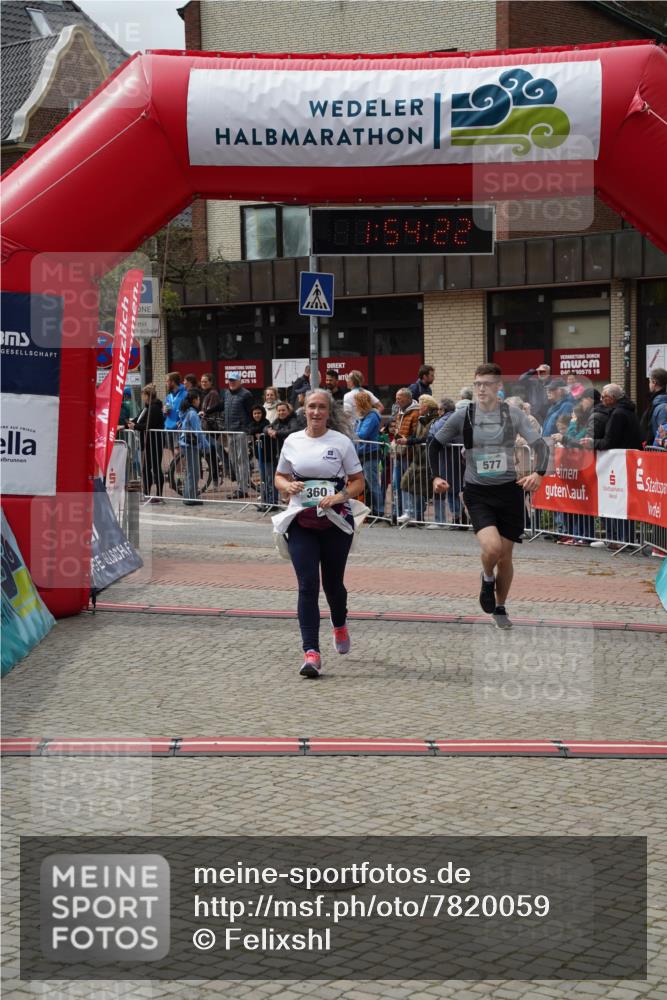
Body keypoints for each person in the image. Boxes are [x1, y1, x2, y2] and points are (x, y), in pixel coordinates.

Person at [429, 363, 549, 629]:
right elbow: (434, 444)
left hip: (509, 491)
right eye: (477, 384)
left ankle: (500, 607)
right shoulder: (464, 416)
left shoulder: (513, 414)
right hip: (478, 492)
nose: (481, 389)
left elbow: (540, 445)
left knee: (506, 557)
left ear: (498, 387)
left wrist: (539, 474)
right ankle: (486, 577)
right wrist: (436, 476)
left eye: (487, 384)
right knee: (492, 548)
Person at [273, 390, 365, 678]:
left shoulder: (341, 443)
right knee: (307, 584)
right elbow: (279, 476)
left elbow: (358, 481)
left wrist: (339, 497)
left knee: (333, 585)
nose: (316, 412)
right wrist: (287, 487)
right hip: (302, 521)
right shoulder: (292, 441)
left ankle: (339, 624)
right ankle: (311, 652)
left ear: (329, 412)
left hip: (335, 522)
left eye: (321, 407)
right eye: (311, 406)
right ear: (304, 409)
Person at [582, 384, 642, 548]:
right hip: (624, 462)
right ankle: (621, 538)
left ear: (613, 398)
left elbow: (610, 441)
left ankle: (622, 539)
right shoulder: (626, 410)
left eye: (604, 397)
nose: (601, 400)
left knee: (618, 501)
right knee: (620, 501)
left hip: (619, 463)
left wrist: (592, 442)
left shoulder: (618, 414)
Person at [208, 372, 255, 498]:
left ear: (240, 381)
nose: (231, 383)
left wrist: (249, 429)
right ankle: (241, 485)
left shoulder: (246, 395)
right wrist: (207, 412)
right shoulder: (227, 393)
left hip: (240, 432)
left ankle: (243, 488)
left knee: (241, 461)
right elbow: (222, 405)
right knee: (234, 460)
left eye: (234, 380)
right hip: (230, 432)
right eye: (230, 380)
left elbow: (251, 413)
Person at [398, 394, 439, 524]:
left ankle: (418, 516)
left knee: (420, 488)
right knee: (405, 483)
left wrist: (408, 442)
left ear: (426, 406)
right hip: (417, 458)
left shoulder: (434, 420)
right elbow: (416, 436)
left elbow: (426, 438)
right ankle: (409, 513)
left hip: (427, 458)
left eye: (420, 404)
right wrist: (406, 440)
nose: (418, 407)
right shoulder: (421, 419)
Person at [427, 398, 464, 528]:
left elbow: (432, 434)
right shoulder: (460, 417)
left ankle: (456, 517)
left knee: (450, 488)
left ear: (443, 410)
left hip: (448, 459)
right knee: (463, 488)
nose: (438, 412)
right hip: (462, 458)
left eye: (439, 409)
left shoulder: (442, 421)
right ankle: (462, 516)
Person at [131, 383, 164, 503]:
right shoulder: (146, 408)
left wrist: (135, 426)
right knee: (145, 469)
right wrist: (127, 425)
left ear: (148, 395)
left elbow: (148, 425)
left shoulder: (154, 408)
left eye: (143, 395)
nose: (142, 397)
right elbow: (137, 420)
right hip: (147, 442)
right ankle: (146, 492)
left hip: (155, 442)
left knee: (155, 468)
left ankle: (159, 494)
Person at [262, 401, 300, 506]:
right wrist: (269, 431)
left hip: (293, 453)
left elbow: (293, 430)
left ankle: (291, 501)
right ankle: (285, 500)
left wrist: (277, 433)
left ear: (288, 411)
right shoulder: (277, 421)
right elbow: (265, 427)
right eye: (279, 410)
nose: (281, 412)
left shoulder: (293, 420)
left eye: (283, 410)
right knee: (282, 477)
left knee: (291, 477)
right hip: (280, 453)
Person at [390, 387, 420, 519]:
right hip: (398, 453)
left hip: (409, 453)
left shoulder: (415, 413)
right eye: (396, 397)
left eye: (399, 397)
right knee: (397, 483)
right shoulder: (400, 412)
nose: (397, 400)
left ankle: (410, 512)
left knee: (407, 483)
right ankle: (399, 511)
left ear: (408, 398)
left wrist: (406, 441)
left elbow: (416, 434)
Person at [353, 390, 383, 516]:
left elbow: (362, 434)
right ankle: (369, 509)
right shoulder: (362, 416)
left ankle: (379, 510)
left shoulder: (371, 416)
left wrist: (350, 434)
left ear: (361, 403)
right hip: (362, 453)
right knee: (365, 483)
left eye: (356, 403)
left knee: (372, 482)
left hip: (370, 453)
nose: (354, 405)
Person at [178, 389, 208, 506]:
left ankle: (188, 495)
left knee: (190, 471)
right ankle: (191, 497)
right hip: (191, 445)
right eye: (199, 399)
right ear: (195, 400)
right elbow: (198, 431)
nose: (199, 401)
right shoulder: (192, 413)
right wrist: (205, 444)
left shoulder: (186, 411)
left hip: (185, 443)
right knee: (193, 471)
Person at [199, 373, 223, 487]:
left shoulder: (213, 393)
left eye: (205, 381)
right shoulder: (204, 393)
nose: (203, 383)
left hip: (211, 428)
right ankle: (215, 478)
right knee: (210, 454)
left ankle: (215, 479)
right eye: (202, 381)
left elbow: (209, 410)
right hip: (206, 427)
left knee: (212, 454)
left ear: (211, 382)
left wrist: (203, 413)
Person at [249, 404, 271, 509]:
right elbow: (250, 430)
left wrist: (258, 431)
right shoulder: (252, 423)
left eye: (259, 413)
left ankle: (270, 496)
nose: (257, 415)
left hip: (268, 452)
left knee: (268, 475)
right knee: (262, 475)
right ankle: (264, 494)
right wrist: (256, 431)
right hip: (258, 453)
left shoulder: (266, 422)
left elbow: (264, 429)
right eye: (255, 413)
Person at [640, 368, 667, 448]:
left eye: (649, 381)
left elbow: (662, 435)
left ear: (654, 382)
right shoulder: (655, 403)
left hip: (657, 455)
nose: (649, 385)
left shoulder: (661, 407)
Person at [163, 372, 188, 451]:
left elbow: (188, 411)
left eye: (167, 381)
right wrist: (164, 411)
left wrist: (181, 422)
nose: (166, 384)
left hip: (178, 428)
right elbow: (166, 413)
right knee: (173, 453)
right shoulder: (169, 396)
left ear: (173, 382)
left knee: (179, 453)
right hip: (168, 427)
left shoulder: (185, 394)